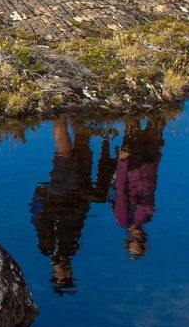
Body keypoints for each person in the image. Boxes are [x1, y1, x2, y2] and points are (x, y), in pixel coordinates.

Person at [30, 115, 114, 292]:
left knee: (63, 152)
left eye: (63, 276)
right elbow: (78, 221)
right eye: (68, 276)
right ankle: (75, 112)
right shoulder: (71, 249)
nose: (67, 273)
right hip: (77, 194)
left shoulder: (48, 248)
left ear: (54, 272)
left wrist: (41, 196)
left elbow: (40, 219)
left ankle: (58, 111)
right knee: (82, 146)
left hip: (61, 193)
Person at [111, 113, 165, 258]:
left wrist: (122, 162)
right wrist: (157, 162)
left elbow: (120, 190)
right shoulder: (146, 218)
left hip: (132, 167)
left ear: (128, 238)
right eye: (140, 242)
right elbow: (152, 188)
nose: (138, 238)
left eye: (134, 241)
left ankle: (134, 99)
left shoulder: (123, 219)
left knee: (132, 127)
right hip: (148, 166)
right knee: (157, 126)